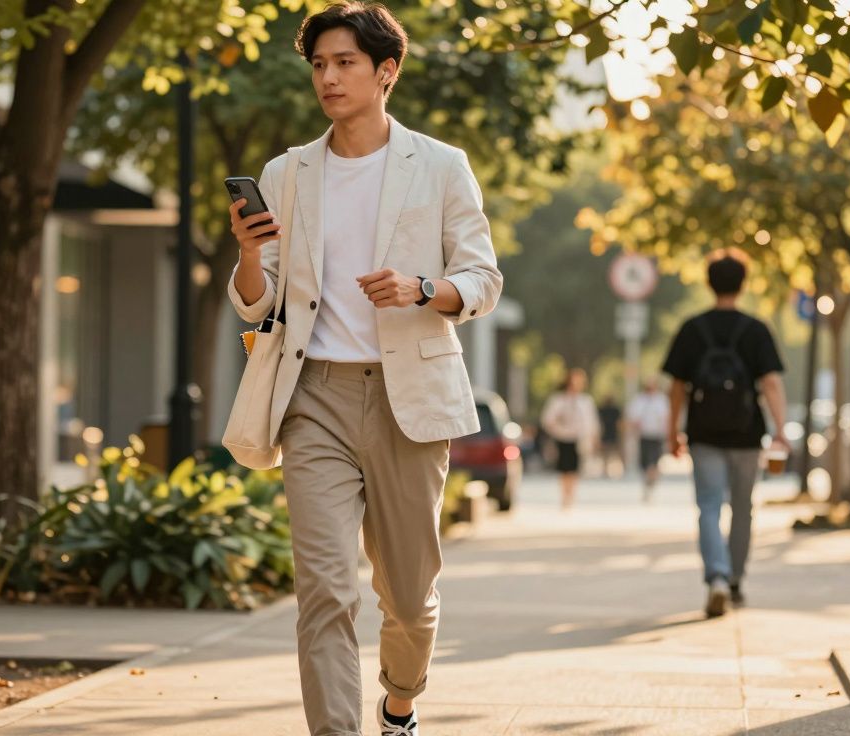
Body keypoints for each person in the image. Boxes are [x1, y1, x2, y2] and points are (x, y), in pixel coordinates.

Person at [226, 4, 502, 734]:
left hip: (408, 395)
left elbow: (482, 279)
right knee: (323, 590)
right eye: (318, 64)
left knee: (408, 599)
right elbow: (258, 307)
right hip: (313, 394)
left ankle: (399, 703)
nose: (328, 77)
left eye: (344, 62)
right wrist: (251, 255)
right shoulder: (287, 172)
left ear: (386, 71)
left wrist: (422, 289)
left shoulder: (441, 166)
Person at [662, 248, 788, 618]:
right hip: (748, 435)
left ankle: (715, 577)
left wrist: (673, 433)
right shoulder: (756, 329)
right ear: (743, 283)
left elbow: (676, 388)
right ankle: (734, 581)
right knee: (743, 508)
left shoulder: (692, 328)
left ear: (709, 282)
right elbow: (771, 383)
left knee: (709, 506)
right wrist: (781, 430)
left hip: (703, 435)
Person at [540, 368, 600, 510]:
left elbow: (591, 422)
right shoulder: (558, 400)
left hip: (579, 439)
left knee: (574, 469)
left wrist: (593, 438)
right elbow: (548, 419)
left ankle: (571, 494)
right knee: (564, 469)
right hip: (562, 438)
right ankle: (564, 495)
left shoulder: (585, 401)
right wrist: (558, 429)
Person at [625, 377, 670, 502]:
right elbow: (632, 417)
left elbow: (666, 418)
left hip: (657, 436)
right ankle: (647, 484)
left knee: (654, 462)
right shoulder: (639, 400)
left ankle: (652, 483)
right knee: (644, 463)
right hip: (643, 436)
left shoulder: (661, 400)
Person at [597, 395, 623, 477]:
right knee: (609, 452)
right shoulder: (606, 410)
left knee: (610, 453)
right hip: (610, 433)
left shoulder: (613, 410)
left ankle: (608, 469)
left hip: (609, 433)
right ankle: (607, 469)